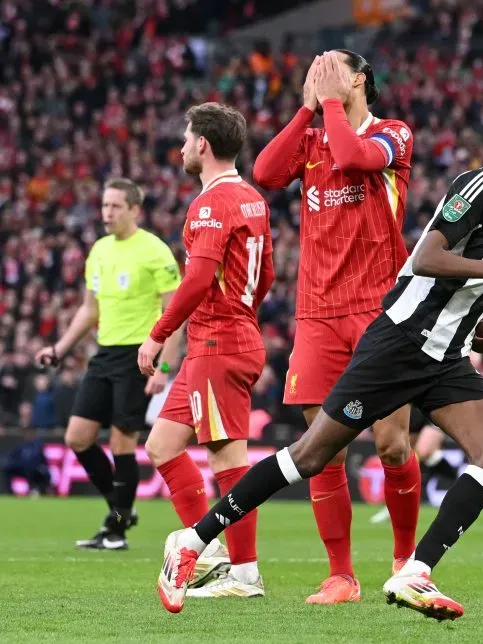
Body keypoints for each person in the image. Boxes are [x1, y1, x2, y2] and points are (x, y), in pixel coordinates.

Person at [156, 109, 483, 619]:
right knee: (309, 457)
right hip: (398, 344)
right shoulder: (481, 185)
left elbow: (473, 277)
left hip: (446, 354)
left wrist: (477, 315)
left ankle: (414, 572)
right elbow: (428, 258)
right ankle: (192, 541)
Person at [251, 50, 422, 604]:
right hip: (318, 312)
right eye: (313, 70)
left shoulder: (392, 133)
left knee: (392, 445)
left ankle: (405, 561)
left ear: (361, 80)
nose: (319, 77)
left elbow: (352, 159)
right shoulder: (313, 134)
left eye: (331, 70)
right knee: (320, 448)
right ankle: (341, 575)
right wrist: (307, 111)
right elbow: (265, 173)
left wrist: (327, 103)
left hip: (379, 309)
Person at [140, 102, 275, 599]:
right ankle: (212, 548)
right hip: (220, 338)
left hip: (218, 340)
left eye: (185, 137)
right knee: (162, 446)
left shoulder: (211, 203)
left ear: (203, 144)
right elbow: (268, 277)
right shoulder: (252, 199)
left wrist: (158, 333)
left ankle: (243, 574)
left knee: (228, 460)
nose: (180, 146)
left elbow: (197, 277)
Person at [34, 178, 182, 550]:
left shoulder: (155, 251)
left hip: (139, 354)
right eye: (104, 206)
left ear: (135, 209)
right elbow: (89, 308)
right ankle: (120, 509)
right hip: (104, 354)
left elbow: (175, 314)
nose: (107, 213)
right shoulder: (99, 250)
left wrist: (163, 369)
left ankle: (116, 528)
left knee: (121, 441)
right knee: (77, 438)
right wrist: (61, 348)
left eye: (115, 206)